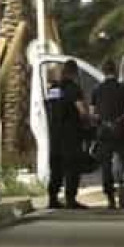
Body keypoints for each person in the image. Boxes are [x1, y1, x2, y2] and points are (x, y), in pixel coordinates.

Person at [91, 60, 124, 210]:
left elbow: (93, 113)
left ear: (103, 71)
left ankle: (110, 200)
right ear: (115, 71)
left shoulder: (97, 90)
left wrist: (101, 122)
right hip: (121, 131)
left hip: (104, 132)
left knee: (106, 167)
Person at [46, 60, 88, 209]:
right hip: (70, 134)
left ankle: (52, 198)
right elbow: (81, 110)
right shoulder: (74, 89)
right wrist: (86, 119)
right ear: (74, 73)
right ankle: (70, 199)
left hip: (55, 133)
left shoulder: (53, 89)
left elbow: (50, 108)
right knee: (72, 167)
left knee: (56, 167)